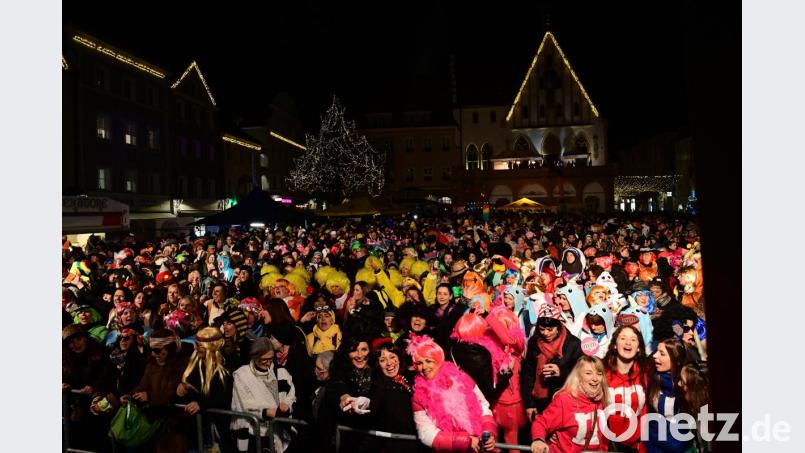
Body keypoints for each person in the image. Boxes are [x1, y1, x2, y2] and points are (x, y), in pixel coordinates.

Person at [408, 334, 497, 452]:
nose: (424, 367)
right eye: (419, 363)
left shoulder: (461, 377)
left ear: (438, 360)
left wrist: (488, 431)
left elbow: (483, 406)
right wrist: (465, 441)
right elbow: (425, 433)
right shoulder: (418, 396)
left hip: (479, 445)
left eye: (428, 361)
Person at [529, 355, 611, 453]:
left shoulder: (602, 400)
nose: (595, 378)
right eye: (588, 373)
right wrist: (539, 440)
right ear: (578, 377)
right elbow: (541, 422)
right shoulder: (565, 400)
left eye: (599, 373)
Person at [231, 337, 296, 453]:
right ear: (254, 357)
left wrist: (286, 405)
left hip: (278, 431)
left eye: (271, 358)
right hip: (254, 433)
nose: (268, 362)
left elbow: (291, 395)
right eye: (263, 359)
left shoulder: (281, 372)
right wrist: (266, 411)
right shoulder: (243, 375)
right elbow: (244, 403)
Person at [521, 303, 583, 415]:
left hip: (563, 401)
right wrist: (529, 404)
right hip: (538, 403)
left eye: (550, 329)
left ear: (558, 326)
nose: (545, 333)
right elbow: (527, 375)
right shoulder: (534, 342)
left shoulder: (573, 344)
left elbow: (580, 374)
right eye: (542, 329)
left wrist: (561, 373)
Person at [366, 339, 418, 453]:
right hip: (399, 446)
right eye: (382, 360)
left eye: (392, 357)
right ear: (378, 365)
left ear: (399, 358)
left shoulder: (410, 378)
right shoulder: (379, 388)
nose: (389, 363)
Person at [604, 326, 650, 453]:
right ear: (614, 345)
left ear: (639, 347)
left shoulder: (646, 374)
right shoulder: (601, 373)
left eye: (633, 339)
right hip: (609, 445)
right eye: (623, 338)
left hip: (638, 445)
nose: (628, 343)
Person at [645, 338, 693, 453]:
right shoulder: (651, 379)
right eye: (656, 351)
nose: (655, 356)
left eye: (662, 353)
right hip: (652, 445)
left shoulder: (688, 386)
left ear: (675, 359)